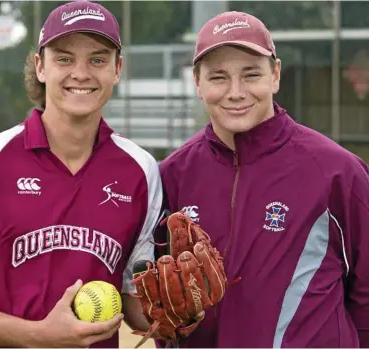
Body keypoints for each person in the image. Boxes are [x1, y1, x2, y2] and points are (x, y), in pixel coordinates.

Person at [0, 1, 161, 348]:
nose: (81, 73)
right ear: (41, 67)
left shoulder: (141, 171)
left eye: (98, 59)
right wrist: (37, 337)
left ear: (118, 69)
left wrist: (183, 312)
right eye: (64, 58)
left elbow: (136, 303)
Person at [157, 10, 369, 348]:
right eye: (218, 77)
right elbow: (162, 307)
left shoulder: (336, 171)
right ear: (197, 83)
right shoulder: (171, 175)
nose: (236, 92)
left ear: (275, 75)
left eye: (251, 74)